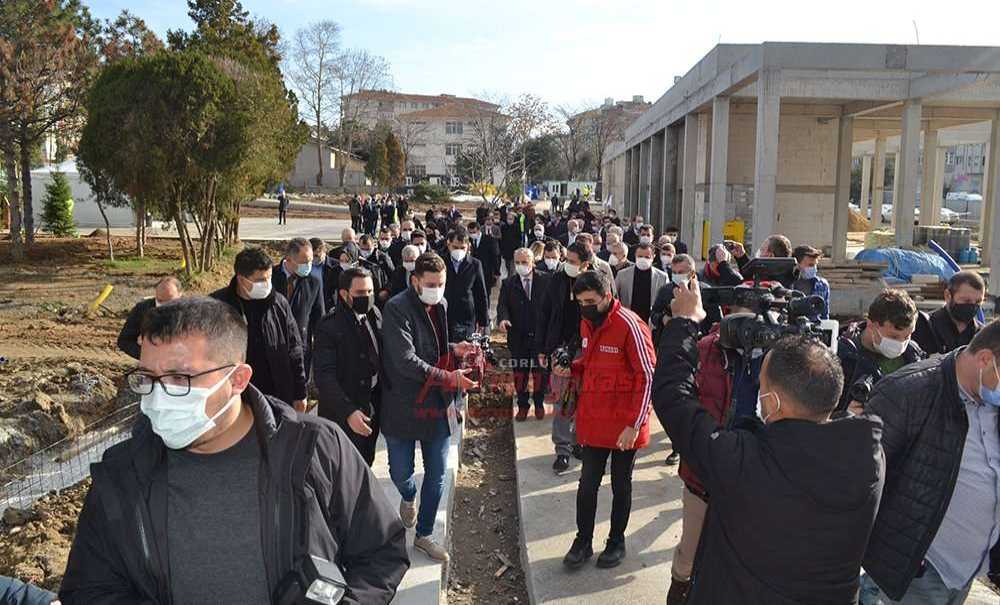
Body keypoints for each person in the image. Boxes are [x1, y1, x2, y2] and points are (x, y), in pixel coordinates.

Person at [59, 297, 409, 604]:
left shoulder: (314, 448)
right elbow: (89, 588)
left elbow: (382, 552)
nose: (158, 396)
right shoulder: (121, 475)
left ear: (237, 380)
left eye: (181, 378)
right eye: (149, 378)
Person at [652, 278, 884, 604]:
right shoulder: (869, 457)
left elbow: (673, 398)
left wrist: (684, 323)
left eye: (762, 388)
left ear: (772, 403)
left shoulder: (741, 462)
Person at [860, 319, 1000, 603]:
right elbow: (862, 482)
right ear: (986, 359)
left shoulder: (991, 399)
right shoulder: (909, 392)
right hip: (916, 573)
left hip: (966, 573)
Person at [380, 253, 478, 562]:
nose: (437, 290)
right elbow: (405, 359)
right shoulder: (396, 309)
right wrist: (449, 377)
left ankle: (424, 534)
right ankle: (408, 496)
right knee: (400, 472)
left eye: (442, 284)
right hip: (403, 403)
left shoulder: (442, 306)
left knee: (437, 474)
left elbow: (433, 348)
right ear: (415, 281)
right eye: (431, 284)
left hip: (437, 404)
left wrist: (454, 350)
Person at [560, 270, 656, 570]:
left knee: (620, 484)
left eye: (591, 301)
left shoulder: (630, 325)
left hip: (624, 425)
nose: (585, 306)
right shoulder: (588, 323)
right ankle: (583, 541)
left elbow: (647, 376)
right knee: (587, 484)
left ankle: (616, 542)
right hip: (595, 420)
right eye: (580, 302)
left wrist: (634, 424)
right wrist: (571, 368)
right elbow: (590, 363)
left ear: (607, 296)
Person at [666, 314, 734, 604]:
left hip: (746, 480)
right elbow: (676, 395)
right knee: (688, 556)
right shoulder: (705, 349)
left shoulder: (778, 355)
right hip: (700, 477)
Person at [211, 247, 307, 412]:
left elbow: (294, 350)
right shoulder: (216, 307)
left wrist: (300, 393)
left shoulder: (279, 303)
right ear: (241, 280)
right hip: (236, 399)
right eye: (260, 280)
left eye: (269, 277)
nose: (267, 284)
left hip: (278, 396)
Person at [314, 267, 383, 466]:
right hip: (343, 412)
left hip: (372, 405)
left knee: (365, 461)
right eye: (360, 293)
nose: (367, 297)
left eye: (370, 292)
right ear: (344, 294)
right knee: (344, 468)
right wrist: (348, 411)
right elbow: (324, 376)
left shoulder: (374, 314)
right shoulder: (329, 327)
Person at [536, 241, 594, 474]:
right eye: (566, 259)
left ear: (585, 264)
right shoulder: (557, 281)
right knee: (562, 399)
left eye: (572, 261)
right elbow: (544, 314)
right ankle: (562, 449)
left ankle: (578, 441)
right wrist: (542, 348)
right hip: (559, 348)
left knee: (584, 397)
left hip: (587, 348)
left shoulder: (595, 283)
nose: (567, 264)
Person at [837, 289, 924, 414]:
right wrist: (844, 415)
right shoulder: (844, 357)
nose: (901, 343)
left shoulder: (914, 355)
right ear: (871, 325)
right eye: (894, 337)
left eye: (907, 336)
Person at [498, 248, 549, 421]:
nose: (521, 266)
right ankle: (522, 405)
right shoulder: (508, 283)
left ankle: (539, 403)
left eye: (524, 262)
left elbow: (552, 307)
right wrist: (503, 319)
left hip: (540, 338)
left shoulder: (546, 280)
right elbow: (502, 306)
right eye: (517, 262)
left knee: (540, 373)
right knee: (520, 373)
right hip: (518, 336)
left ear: (532, 262)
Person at [271, 238, 325, 372]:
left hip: (300, 348)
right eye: (305, 262)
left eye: (311, 261)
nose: (309, 265)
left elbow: (319, 317)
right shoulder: (270, 277)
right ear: (289, 259)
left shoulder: (314, 283)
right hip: (272, 345)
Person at [913, 270, 986, 355]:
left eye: (978, 302)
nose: (972, 306)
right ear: (948, 296)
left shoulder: (982, 336)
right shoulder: (923, 326)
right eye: (966, 300)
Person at [442, 227, 489, 342]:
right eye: (455, 247)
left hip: (467, 315)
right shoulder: (441, 262)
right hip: (446, 313)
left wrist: (484, 321)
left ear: (468, 247)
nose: (459, 250)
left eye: (462, 248)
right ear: (449, 245)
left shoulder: (475, 264)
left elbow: (481, 293)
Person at [117, 276, 183, 359]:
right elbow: (124, 341)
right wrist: (147, 355)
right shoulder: (142, 309)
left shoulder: (190, 312)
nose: (165, 307)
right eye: (160, 301)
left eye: (170, 301)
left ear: (180, 295)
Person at [791, 244, 830, 319]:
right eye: (810, 265)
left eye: (815, 265)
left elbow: (824, 314)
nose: (814, 268)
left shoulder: (822, 285)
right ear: (797, 264)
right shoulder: (788, 285)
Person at [358, 233, 394, 306]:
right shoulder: (357, 257)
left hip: (379, 295)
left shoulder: (382, 258)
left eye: (368, 249)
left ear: (374, 245)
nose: (365, 252)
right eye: (362, 249)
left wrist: (387, 290)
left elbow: (393, 276)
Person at [469, 220, 501, 300]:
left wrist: (496, 272)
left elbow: (495, 256)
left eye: (474, 232)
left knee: (485, 295)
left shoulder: (490, 240)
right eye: (470, 232)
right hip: (472, 273)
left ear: (479, 230)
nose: (472, 234)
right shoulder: (468, 240)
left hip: (486, 272)